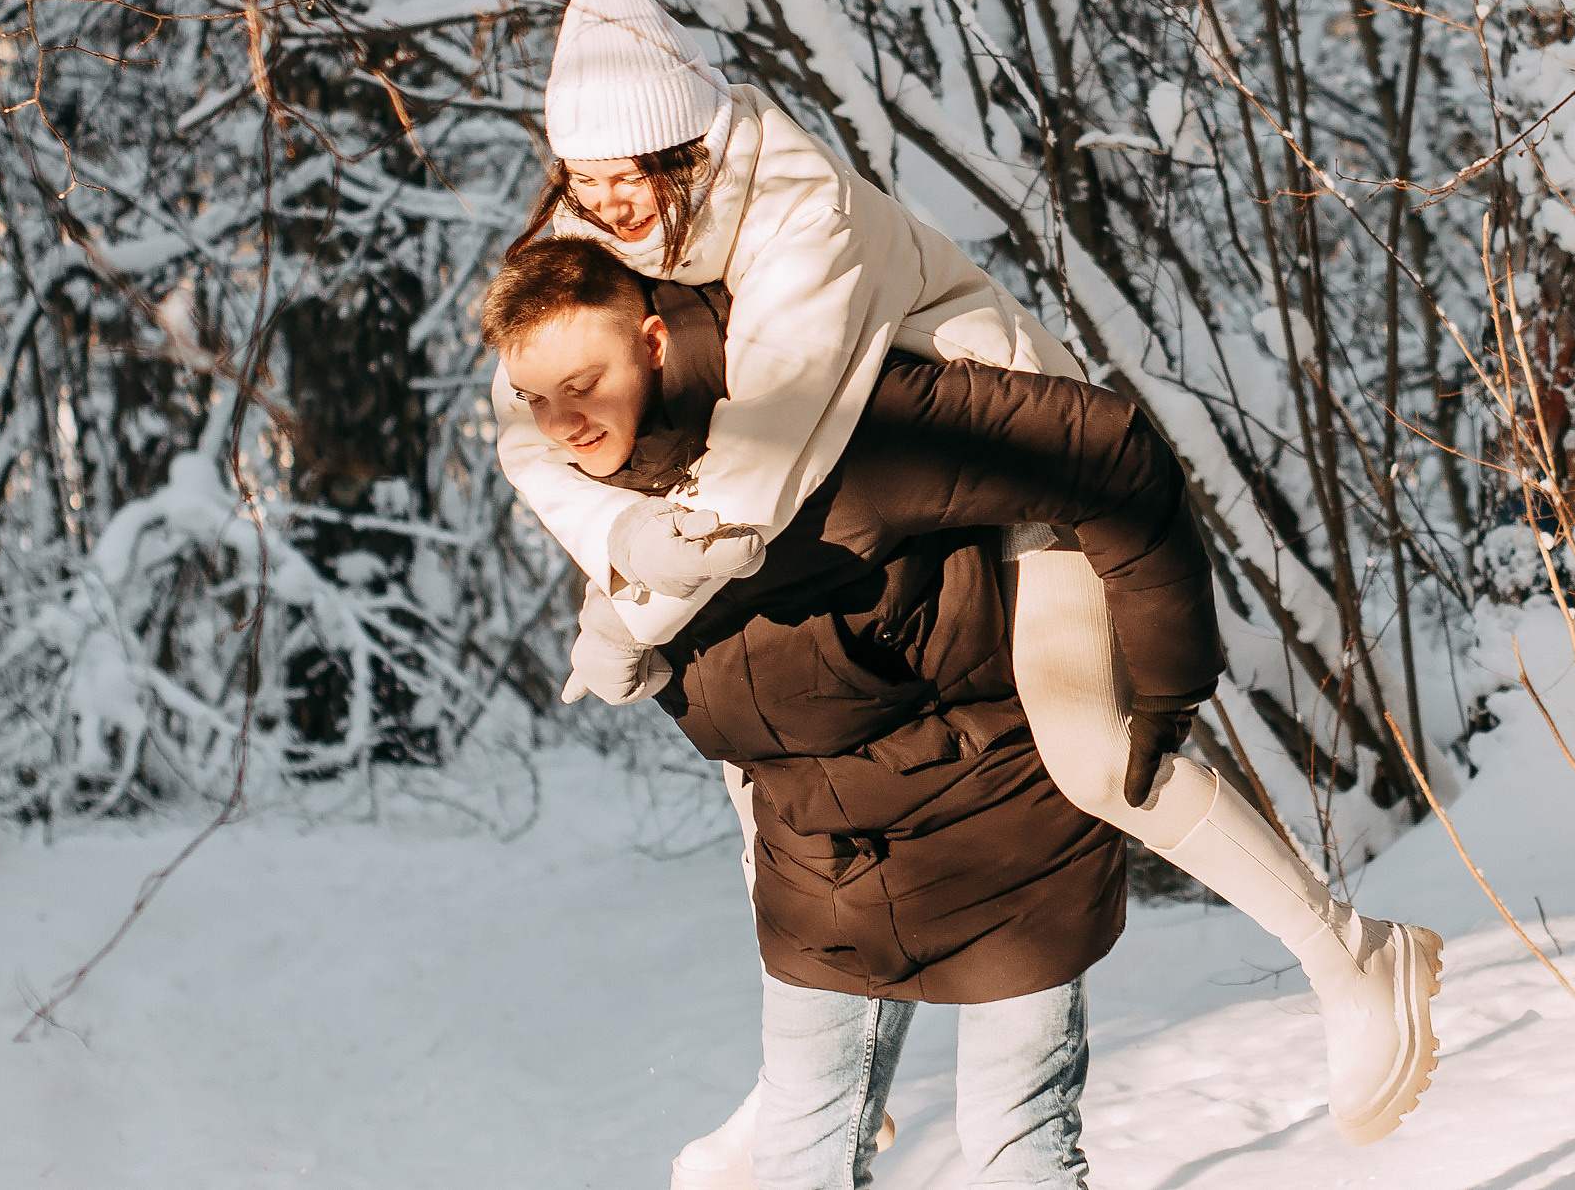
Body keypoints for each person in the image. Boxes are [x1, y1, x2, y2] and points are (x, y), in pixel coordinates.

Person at [489, 0, 1440, 1152]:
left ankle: (1352, 958)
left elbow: (757, 474)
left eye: (628, 175)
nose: (605, 204)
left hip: (1001, 467)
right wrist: (621, 543)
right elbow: (516, 417)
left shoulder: (801, 214)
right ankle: (818, 1090)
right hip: (846, 501)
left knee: (1091, 750)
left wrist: (624, 619)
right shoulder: (603, 225)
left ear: (691, 149)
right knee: (769, 749)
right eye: (582, 179)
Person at [487, 239, 1155, 1188]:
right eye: (537, 401)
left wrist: (1170, 674)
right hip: (824, 856)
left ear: (651, 341)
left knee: (1019, 1145)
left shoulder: (837, 413)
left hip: (1002, 816)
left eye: (584, 381)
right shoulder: (606, 500)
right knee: (803, 1151)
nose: (565, 422)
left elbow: (1103, 455)